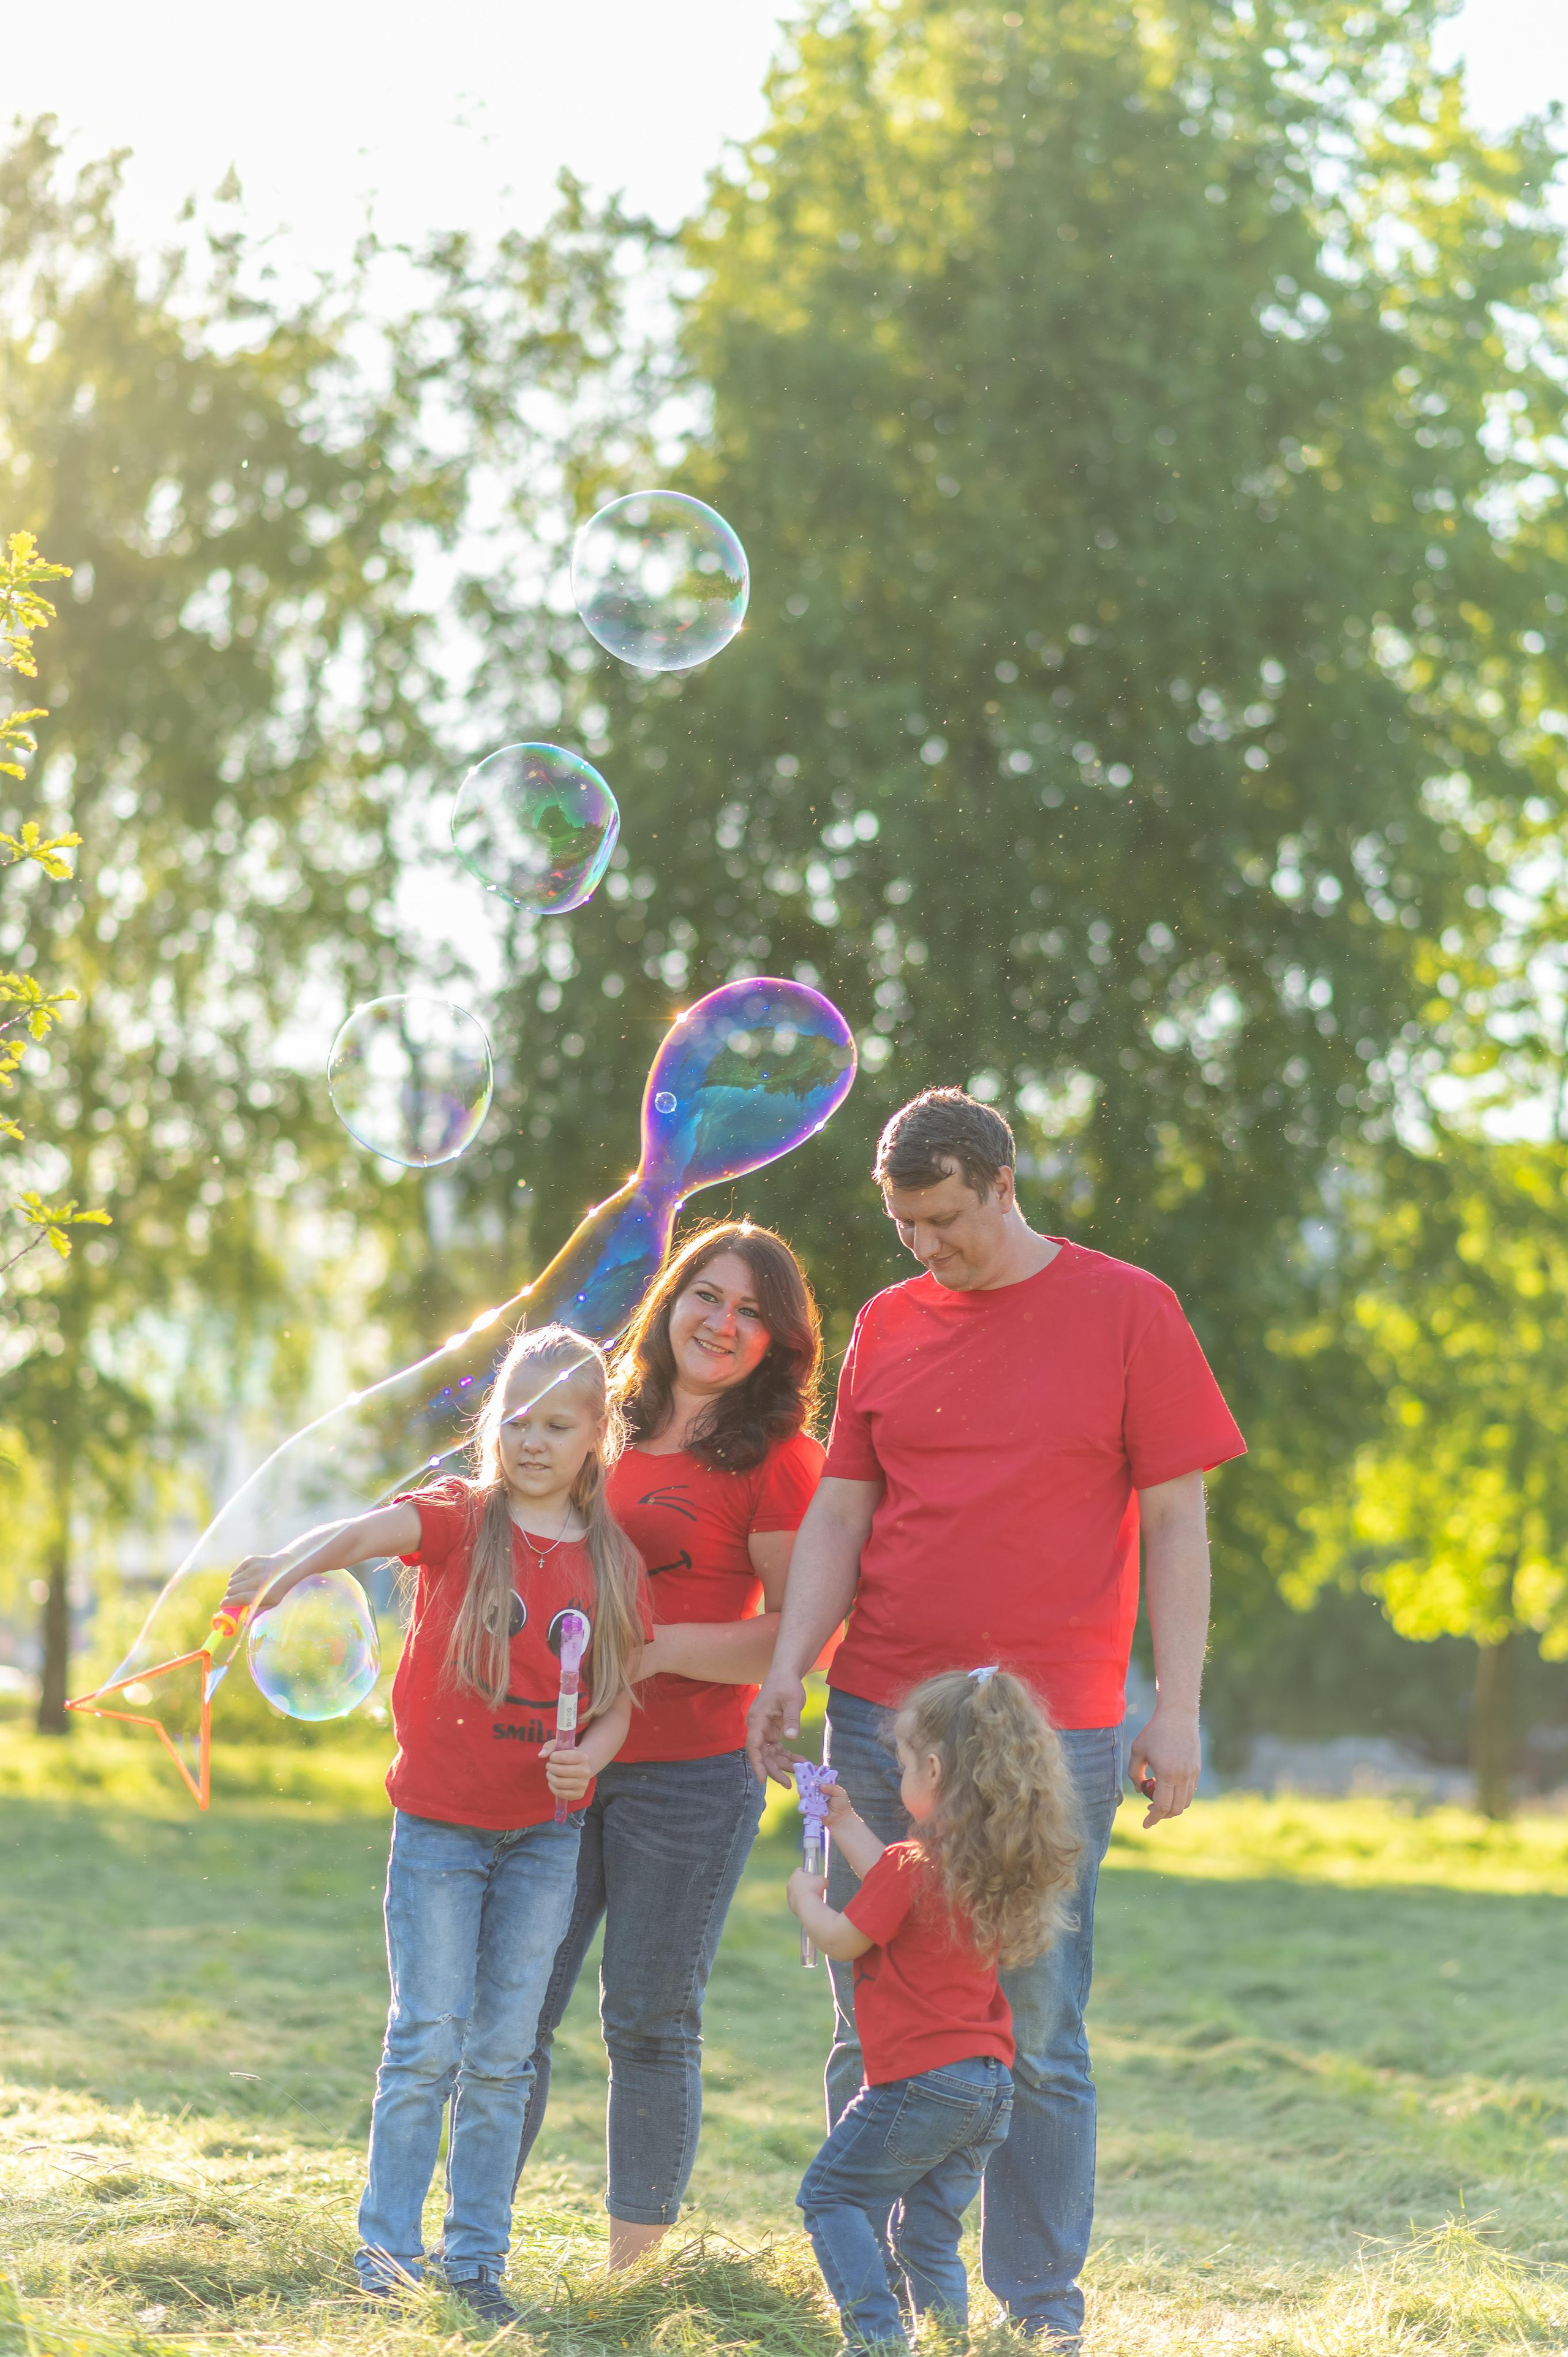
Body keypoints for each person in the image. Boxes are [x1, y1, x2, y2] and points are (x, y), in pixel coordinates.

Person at [748, 1089, 1246, 2349]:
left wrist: (1174, 1707)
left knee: (1035, 2024)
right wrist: (786, 1668)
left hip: (1054, 1732)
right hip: (879, 1712)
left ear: (999, 1183)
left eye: (943, 1220)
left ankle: (1036, 2311)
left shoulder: (1129, 1311)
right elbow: (842, 1517)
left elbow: (1177, 1521)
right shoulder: (885, 1324)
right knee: (872, 2005)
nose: (923, 1247)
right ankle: (886, 2299)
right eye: (905, 1224)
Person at [220, 1323, 650, 2328]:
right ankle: (388, 2251)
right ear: (492, 1423)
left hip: (545, 1835)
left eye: (556, 1422)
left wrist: (594, 1752)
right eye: (515, 1417)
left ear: (597, 1432)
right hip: (440, 1833)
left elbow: (622, 1693)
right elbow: (370, 1534)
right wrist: (289, 1562)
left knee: (503, 2052)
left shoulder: (616, 1561)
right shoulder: (464, 1517)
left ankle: (476, 2260)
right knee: (426, 2037)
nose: (531, 1438)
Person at [514, 1221, 825, 2264]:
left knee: (648, 2018)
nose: (723, 1324)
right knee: (512, 2010)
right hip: (554, 1761)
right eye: (708, 1295)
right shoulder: (602, 1421)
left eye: (751, 1313)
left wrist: (653, 1648)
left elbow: (796, 1631)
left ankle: (629, 2277)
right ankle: (473, 2243)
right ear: (672, 1300)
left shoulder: (779, 1459)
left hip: (690, 1775)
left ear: (778, 1342)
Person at [787, 1669, 1082, 2355]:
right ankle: (949, 2344)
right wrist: (845, 1819)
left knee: (830, 2197)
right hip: (987, 2089)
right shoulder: (980, 1869)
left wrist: (806, 1901)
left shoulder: (911, 1866)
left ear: (933, 1767)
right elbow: (893, 1878)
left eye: (900, 1761)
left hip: (919, 2084)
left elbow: (844, 1937)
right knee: (925, 2232)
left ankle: (877, 2340)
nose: (897, 1774)